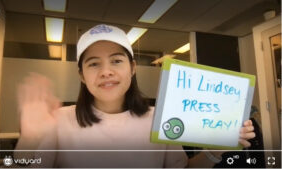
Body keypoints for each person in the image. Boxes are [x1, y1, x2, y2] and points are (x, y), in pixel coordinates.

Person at [15, 24, 255, 168]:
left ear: (132, 68)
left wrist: (216, 150)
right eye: (94, 64)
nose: (106, 71)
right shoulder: (57, 120)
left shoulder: (158, 119)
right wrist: (28, 141)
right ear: (81, 75)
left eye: (116, 61)